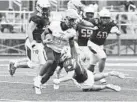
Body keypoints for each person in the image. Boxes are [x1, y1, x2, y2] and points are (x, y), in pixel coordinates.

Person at [33, 9, 80, 94]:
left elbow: (72, 45)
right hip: (49, 47)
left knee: (50, 73)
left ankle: (38, 84)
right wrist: (44, 40)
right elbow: (43, 34)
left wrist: (74, 58)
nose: (73, 22)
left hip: (58, 51)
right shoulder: (55, 25)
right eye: (71, 20)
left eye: (74, 20)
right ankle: (38, 78)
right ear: (65, 19)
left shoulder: (72, 32)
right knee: (50, 61)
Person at [53, 42, 125, 92]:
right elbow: (59, 68)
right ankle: (110, 73)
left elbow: (69, 76)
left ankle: (106, 86)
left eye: (59, 55)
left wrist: (59, 80)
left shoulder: (68, 63)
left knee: (87, 88)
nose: (58, 57)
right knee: (93, 77)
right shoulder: (69, 59)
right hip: (86, 72)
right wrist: (58, 75)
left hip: (83, 79)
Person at [8, 0, 51, 76]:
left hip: (39, 42)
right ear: (39, 8)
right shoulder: (36, 17)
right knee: (34, 64)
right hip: (33, 41)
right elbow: (29, 30)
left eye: (47, 8)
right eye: (44, 8)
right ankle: (15, 64)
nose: (46, 10)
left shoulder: (45, 17)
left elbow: (43, 31)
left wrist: (44, 40)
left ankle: (38, 81)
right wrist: (32, 43)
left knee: (43, 63)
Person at [86, 8, 121, 83]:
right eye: (103, 18)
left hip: (100, 45)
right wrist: (91, 27)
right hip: (92, 44)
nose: (105, 19)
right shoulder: (95, 21)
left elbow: (116, 29)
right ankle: (101, 75)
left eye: (107, 18)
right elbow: (87, 24)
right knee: (103, 57)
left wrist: (116, 31)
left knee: (92, 64)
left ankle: (84, 77)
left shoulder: (111, 24)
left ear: (109, 18)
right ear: (100, 18)